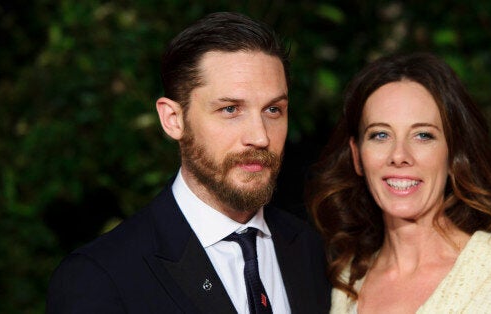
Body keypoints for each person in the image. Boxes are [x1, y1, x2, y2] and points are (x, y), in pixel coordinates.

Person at [47, 12, 331, 314]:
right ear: (173, 119)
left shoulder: (312, 249)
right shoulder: (100, 277)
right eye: (231, 109)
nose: (260, 137)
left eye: (273, 109)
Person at [306, 52, 491, 313]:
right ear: (357, 156)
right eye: (380, 135)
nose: (399, 156)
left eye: (423, 135)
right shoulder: (344, 284)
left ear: (453, 156)